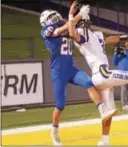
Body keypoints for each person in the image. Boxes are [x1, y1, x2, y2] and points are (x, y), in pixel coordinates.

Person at [68, 7, 128, 146]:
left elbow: (108, 39)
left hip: (100, 77)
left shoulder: (95, 35)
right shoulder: (82, 34)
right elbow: (72, 33)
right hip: (103, 74)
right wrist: (72, 15)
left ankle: (105, 141)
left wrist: (126, 37)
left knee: (108, 114)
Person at [40, 1, 117, 145]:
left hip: (71, 69)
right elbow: (63, 29)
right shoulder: (47, 30)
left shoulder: (64, 28)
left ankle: (102, 110)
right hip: (58, 73)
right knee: (60, 105)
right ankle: (54, 130)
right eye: (51, 17)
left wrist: (77, 16)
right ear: (45, 21)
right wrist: (78, 14)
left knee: (89, 83)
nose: (54, 18)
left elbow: (72, 28)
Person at [112, 39, 128, 111]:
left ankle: (127, 104)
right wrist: (116, 53)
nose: (127, 46)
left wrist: (124, 52)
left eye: (127, 45)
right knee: (123, 88)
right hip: (122, 73)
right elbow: (114, 62)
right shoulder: (119, 54)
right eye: (125, 45)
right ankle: (123, 105)